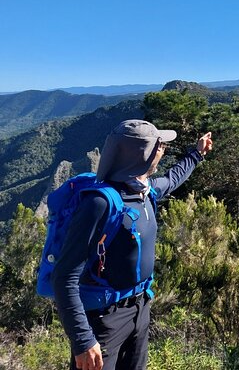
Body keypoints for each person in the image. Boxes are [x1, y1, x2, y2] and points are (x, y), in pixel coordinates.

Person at [51, 119, 213, 370]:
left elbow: (172, 179)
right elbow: (64, 276)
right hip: (105, 319)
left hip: (140, 307)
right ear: (143, 155)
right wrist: (83, 340)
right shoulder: (100, 204)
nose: (163, 150)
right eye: (159, 146)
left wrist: (197, 154)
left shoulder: (144, 191)